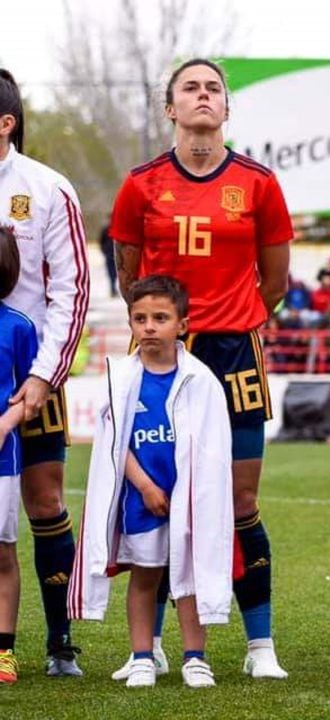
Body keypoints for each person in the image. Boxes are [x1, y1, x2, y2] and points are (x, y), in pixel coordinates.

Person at [110, 58, 292, 680]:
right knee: (161, 500)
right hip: (162, 354)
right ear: (171, 109)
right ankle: (152, 645)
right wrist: (166, 332)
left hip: (234, 353)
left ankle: (260, 644)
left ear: (227, 107)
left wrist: (232, 319)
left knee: (240, 501)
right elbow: (129, 275)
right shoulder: (140, 185)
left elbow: (276, 281)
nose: (203, 96)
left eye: (214, 87)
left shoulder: (259, 183)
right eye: (191, 88)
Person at [69, 275, 233, 689]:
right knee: (145, 577)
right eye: (139, 318)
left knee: (190, 579)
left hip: (188, 500)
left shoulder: (202, 380)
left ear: (182, 324)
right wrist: (143, 484)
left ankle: (195, 658)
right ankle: (143, 656)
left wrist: (187, 496)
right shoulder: (121, 377)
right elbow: (113, 442)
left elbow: (213, 452)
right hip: (142, 501)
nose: (149, 326)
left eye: (160, 317)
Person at [0, 68, 90, 676]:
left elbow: (72, 291)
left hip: (27, 370)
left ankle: (59, 644)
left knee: (44, 499)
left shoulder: (47, 189)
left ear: (5, 123)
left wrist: (41, 377)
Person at [0, 226, 37, 684]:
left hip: (2, 462)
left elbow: (33, 391)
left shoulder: (19, 327)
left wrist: (7, 424)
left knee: (2, 553)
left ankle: (3, 650)